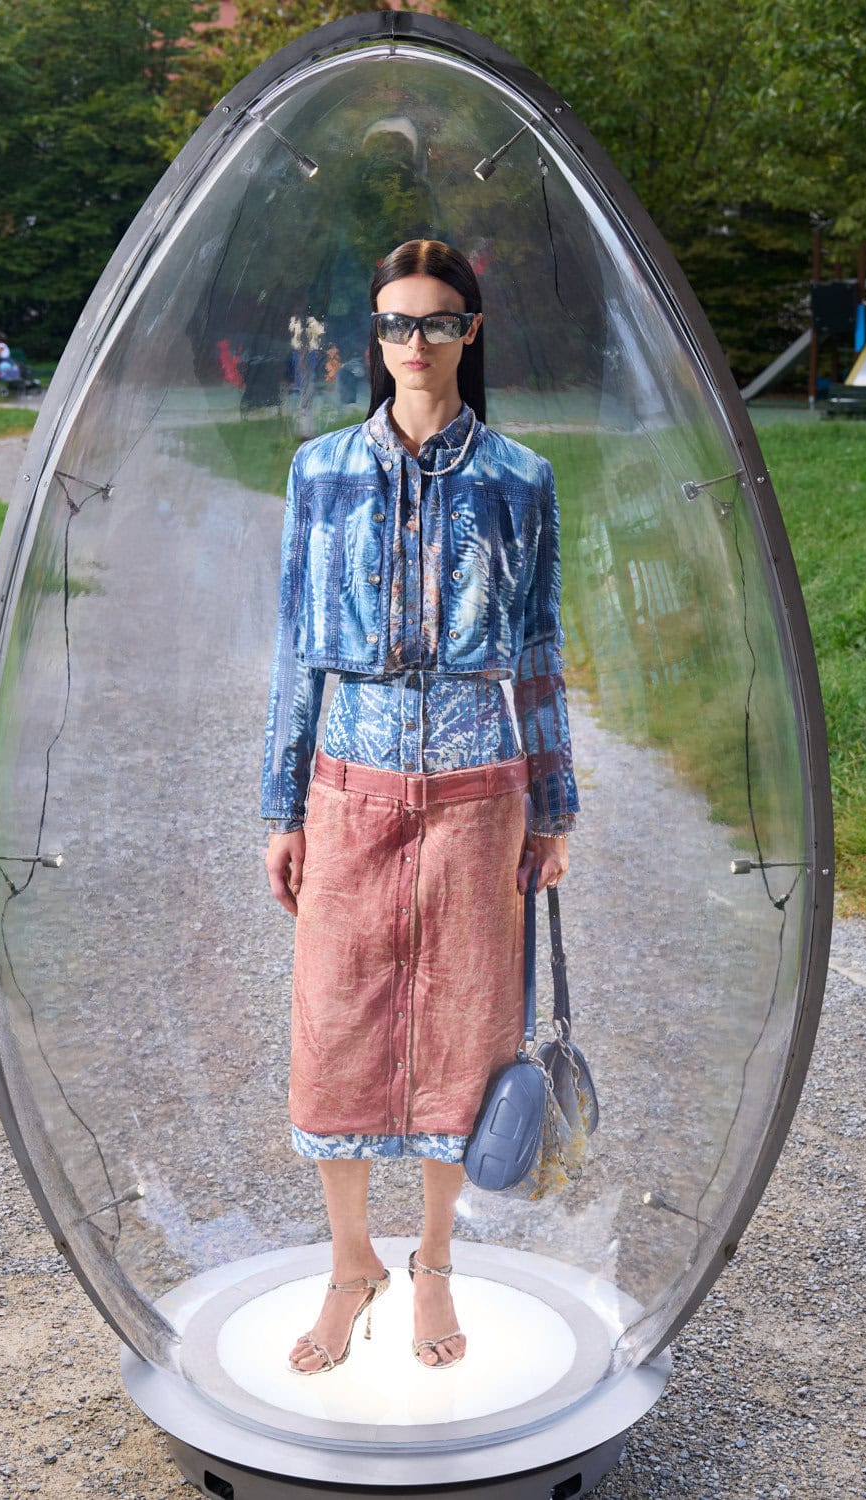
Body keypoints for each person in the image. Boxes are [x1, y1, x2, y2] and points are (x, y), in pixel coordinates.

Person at [261, 239, 578, 1376]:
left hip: (480, 792)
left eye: (437, 321)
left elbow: (537, 651)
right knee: (335, 1020)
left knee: (469, 1030)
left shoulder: (521, 479)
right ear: (376, 335)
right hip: (349, 784)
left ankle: (435, 1260)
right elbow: (295, 651)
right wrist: (282, 807)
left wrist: (553, 805)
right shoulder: (319, 471)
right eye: (396, 323)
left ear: (469, 331)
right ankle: (351, 1262)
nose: (414, 342)